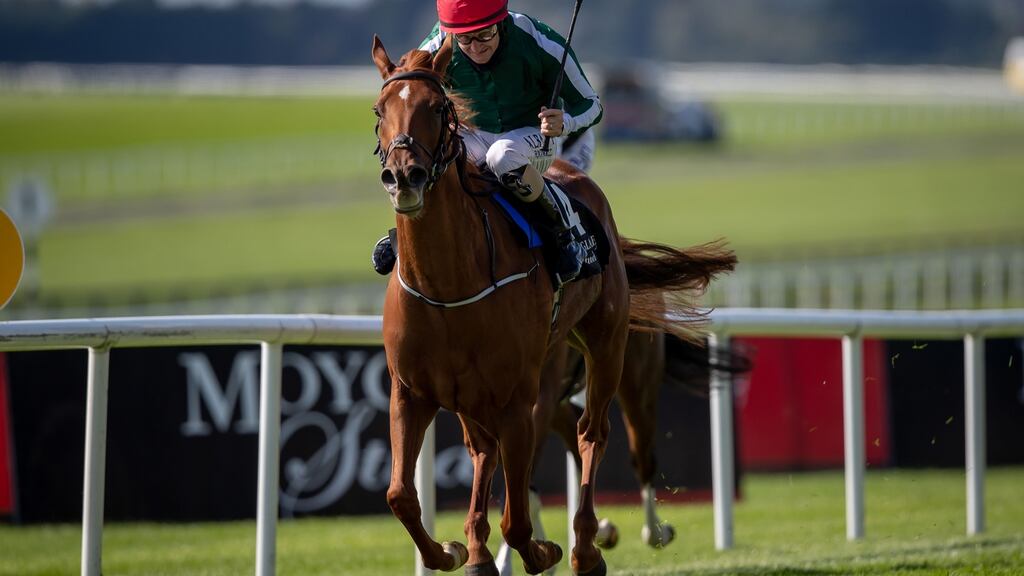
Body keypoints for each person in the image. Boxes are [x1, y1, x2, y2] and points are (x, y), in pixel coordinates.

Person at [372, 0, 603, 286]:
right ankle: (406, 236)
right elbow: (408, 89)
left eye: (484, 35)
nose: (475, 47)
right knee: (435, 155)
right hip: (474, 133)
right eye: (464, 39)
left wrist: (565, 122)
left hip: (531, 133)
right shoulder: (440, 41)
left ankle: (564, 231)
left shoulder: (539, 41)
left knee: (501, 156)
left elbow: (593, 105)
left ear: (501, 21)